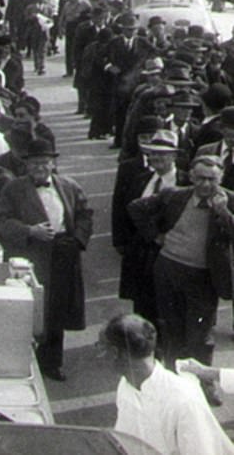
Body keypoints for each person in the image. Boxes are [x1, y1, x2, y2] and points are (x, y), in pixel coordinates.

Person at [0, 138, 93, 381]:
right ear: (26, 165)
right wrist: (29, 231)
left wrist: (78, 239)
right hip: (31, 256)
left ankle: (52, 363)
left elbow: (84, 214)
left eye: (45, 163)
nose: (40, 168)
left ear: (53, 164)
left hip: (63, 254)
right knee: (31, 308)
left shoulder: (69, 186)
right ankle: (20, 361)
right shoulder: (13, 189)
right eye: (35, 163)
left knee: (57, 310)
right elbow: (0, 223)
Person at [127, 154, 234, 371]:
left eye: (212, 179)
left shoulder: (230, 200)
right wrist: (155, 236)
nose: (206, 184)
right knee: (171, 330)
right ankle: (174, 379)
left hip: (204, 277)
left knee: (201, 335)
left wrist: (223, 212)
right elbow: (135, 208)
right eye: (201, 178)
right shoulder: (174, 196)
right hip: (169, 269)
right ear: (192, 177)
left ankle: (203, 383)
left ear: (220, 179)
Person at [100, 314, 234, 455]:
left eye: (100, 347)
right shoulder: (126, 384)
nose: (98, 355)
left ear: (115, 353)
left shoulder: (183, 400)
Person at [111, 130, 179, 326]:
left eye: (163, 154)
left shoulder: (184, 182)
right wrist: (122, 243)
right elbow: (122, 210)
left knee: (169, 313)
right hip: (141, 255)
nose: (156, 157)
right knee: (143, 309)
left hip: (171, 255)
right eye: (153, 153)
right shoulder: (141, 179)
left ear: (174, 156)